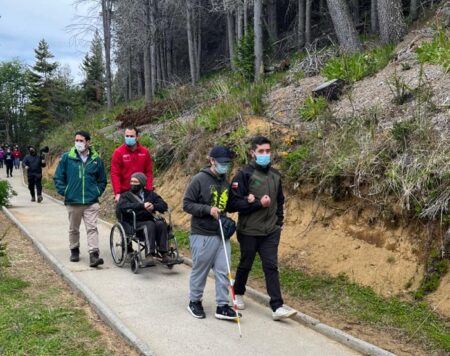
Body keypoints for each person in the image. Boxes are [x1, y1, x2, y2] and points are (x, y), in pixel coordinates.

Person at [228, 136, 297, 321]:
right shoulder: (243, 174)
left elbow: (280, 201)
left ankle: (277, 306)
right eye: (261, 151)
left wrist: (278, 222)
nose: (265, 155)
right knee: (246, 263)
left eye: (268, 151)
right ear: (253, 152)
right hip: (249, 230)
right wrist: (258, 204)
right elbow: (232, 203)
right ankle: (238, 292)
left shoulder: (275, 175)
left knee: (271, 266)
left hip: (271, 231)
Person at [183, 145, 241, 321]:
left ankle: (222, 306)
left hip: (220, 232)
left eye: (228, 163)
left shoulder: (225, 181)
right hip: (202, 233)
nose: (225, 166)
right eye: (222, 163)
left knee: (224, 270)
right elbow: (187, 204)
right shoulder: (199, 179)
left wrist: (248, 201)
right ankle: (195, 301)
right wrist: (208, 209)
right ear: (212, 161)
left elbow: (229, 204)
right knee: (200, 269)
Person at [53, 131, 107, 268]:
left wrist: (97, 191)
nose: (78, 143)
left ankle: (94, 255)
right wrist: (65, 191)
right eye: (76, 140)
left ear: (88, 142)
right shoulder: (67, 158)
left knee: (92, 228)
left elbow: (102, 180)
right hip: (73, 201)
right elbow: (58, 177)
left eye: (81, 140)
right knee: (73, 228)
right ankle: (74, 250)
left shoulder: (96, 159)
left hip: (91, 201)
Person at [117, 172, 174, 265]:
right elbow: (122, 206)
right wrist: (141, 205)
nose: (132, 184)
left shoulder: (150, 194)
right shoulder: (126, 195)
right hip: (134, 222)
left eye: (135, 182)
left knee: (160, 223)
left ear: (142, 183)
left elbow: (164, 205)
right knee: (149, 224)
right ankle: (149, 255)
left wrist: (154, 206)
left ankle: (164, 254)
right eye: (131, 181)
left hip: (150, 219)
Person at [111, 126, 153, 203]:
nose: (129, 138)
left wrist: (149, 190)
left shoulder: (144, 152)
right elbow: (115, 174)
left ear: (137, 137)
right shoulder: (118, 152)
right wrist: (117, 193)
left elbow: (148, 172)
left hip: (141, 191)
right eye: (127, 136)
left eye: (131, 136)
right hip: (125, 192)